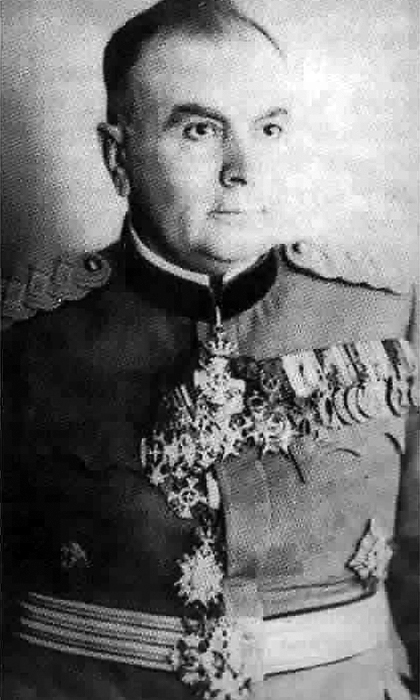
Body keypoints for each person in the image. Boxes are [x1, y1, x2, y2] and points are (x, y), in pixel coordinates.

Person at [2, 0, 418, 698]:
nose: (242, 168)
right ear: (117, 156)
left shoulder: (387, 312)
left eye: (269, 128)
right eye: (200, 130)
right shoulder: (27, 338)